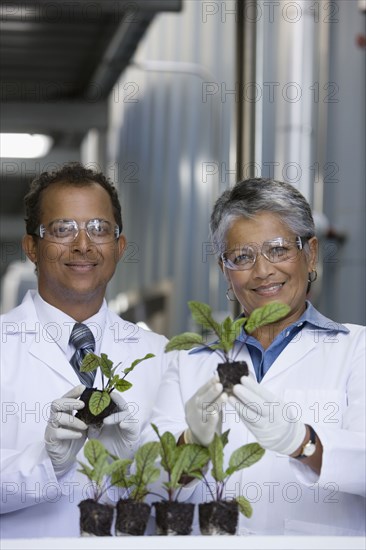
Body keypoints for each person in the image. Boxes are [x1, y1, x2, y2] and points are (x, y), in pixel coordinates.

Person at [146, 178, 365, 536]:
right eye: (242, 257)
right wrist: (191, 444)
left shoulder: (357, 349)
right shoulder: (189, 363)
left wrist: (303, 442)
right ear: (224, 271)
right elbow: (147, 485)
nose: (263, 270)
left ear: (310, 254)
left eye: (278, 250)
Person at [0, 163, 170, 538]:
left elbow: (184, 493)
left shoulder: (160, 356)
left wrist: (138, 464)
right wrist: (46, 463)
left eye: (99, 229)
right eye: (62, 229)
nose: (82, 245)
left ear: (119, 246)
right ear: (32, 247)